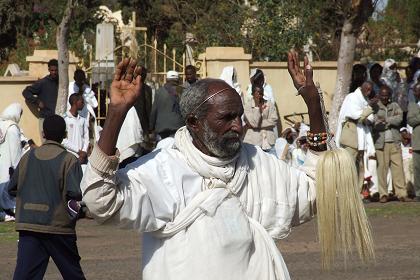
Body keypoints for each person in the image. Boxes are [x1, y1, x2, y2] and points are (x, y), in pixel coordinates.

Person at [81, 53, 326, 280]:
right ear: (193, 122)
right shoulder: (163, 169)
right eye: (226, 118)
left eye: (239, 116)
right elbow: (100, 201)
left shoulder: (257, 164)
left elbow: (314, 191)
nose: (238, 127)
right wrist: (115, 113)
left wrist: (313, 104)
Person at [8, 115, 85, 279]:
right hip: (58, 226)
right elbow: (75, 195)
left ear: (43, 134)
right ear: (65, 135)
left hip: (28, 224)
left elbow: (12, 188)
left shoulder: (27, 157)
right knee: (72, 273)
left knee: (25, 275)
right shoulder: (69, 160)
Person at [371, 85, 412, 203]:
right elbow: (374, 121)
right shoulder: (375, 107)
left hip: (395, 142)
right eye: (382, 95)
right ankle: (383, 194)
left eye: (386, 95)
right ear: (379, 95)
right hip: (380, 143)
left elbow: (399, 118)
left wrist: (386, 120)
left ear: (389, 95)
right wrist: (389, 120)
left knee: (398, 169)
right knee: (382, 170)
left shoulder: (395, 106)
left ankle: (401, 194)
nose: (384, 98)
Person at [22, 59, 58, 139]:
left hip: (58, 119)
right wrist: (37, 101)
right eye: (52, 70)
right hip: (45, 119)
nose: (54, 72)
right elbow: (26, 92)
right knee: (46, 145)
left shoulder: (61, 83)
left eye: (56, 70)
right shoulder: (43, 83)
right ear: (49, 70)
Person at [149, 70, 185, 140]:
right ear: (178, 79)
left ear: (167, 79)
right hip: (179, 129)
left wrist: (151, 128)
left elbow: (154, 111)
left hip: (162, 130)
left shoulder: (159, 92)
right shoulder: (183, 91)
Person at [68, 69, 100, 140]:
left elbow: (94, 104)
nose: (81, 82)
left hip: (86, 116)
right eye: (79, 80)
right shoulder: (70, 87)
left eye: (82, 80)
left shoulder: (87, 88)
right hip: (73, 116)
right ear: (75, 79)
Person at [243, 85, 278, 151]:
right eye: (258, 92)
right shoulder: (247, 106)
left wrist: (257, 125)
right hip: (254, 143)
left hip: (269, 143)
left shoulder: (269, 104)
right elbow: (253, 123)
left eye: (262, 93)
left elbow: (274, 120)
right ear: (252, 94)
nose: (260, 95)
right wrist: (257, 108)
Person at [62, 94, 89, 164]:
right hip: (70, 156)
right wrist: (78, 151)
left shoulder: (83, 119)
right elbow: (63, 140)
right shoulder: (65, 119)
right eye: (82, 102)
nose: (83, 104)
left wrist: (84, 152)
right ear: (75, 102)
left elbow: (86, 138)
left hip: (82, 157)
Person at [407, 82, 420, 201]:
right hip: (417, 142)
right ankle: (418, 193)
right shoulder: (412, 105)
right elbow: (411, 120)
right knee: (417, 168)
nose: (417, 93)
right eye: (416, 91)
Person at [400, 127, 414, 197]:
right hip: (404, 159)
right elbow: (404, 143)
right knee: (406, 175)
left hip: (411, 158)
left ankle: (413, 191)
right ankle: (409, 191)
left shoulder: (411, 139)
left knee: (412, 175)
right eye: (403, 133)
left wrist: (409, 137)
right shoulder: (401, 141)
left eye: (405, 132)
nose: (404, 134)